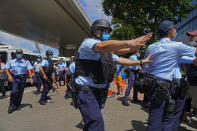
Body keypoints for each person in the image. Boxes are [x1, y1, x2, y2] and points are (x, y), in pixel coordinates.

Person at [74, 19, 153, 131]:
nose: (107, 34)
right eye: (103, 31)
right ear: (95, 31)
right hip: (87, 91)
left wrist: (140, 61)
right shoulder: (88, 43)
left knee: (91, 124)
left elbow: (121, 59)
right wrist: (130, 42)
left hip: (100, 92)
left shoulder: (107, 52)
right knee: (96, 124)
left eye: (108, 31)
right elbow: (101, 46)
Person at [144, 21, 197, 131]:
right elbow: (195, 54)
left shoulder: (150, 47)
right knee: (169, 117)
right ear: (171, 31)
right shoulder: (176, 46)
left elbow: (146, 66)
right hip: (165, 86)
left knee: (155, 118)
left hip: (151, 84)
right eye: (175, 29)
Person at [5, 49, 33, 114]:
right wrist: (9, 76)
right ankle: (11, 106)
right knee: (13, 91)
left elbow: (29, 69)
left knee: (20, 92)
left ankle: (17, 105)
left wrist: (31, 78)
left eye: (20, 53)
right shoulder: (11, 61)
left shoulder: (26, 61)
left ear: (22, 54)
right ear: (16, 54)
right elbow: (6, 68)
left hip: (23, 79)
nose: (19, 54)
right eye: (18, 53)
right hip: (15, 78)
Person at [185, 29, 197, 121]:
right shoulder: (190, 49)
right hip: (188, 80)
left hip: (195, 82)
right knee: (186, 101)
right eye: (190, 36)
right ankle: (187, 115)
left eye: (192, 36)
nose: (190, 38)